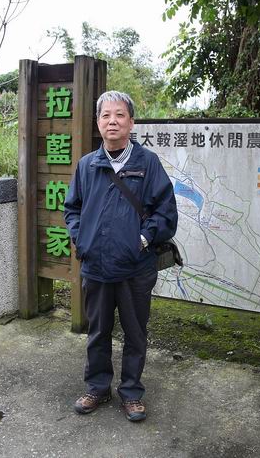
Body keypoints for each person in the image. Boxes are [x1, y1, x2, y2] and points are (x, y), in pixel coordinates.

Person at [64, 90, 178, 422]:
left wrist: (142, 240)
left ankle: (131, 392)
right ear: (98, 122)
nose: (112, 121)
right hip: (96, 266)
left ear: (131, 122)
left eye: (119, 115)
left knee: (135, 333)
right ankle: (97, 388)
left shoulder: (147, 163)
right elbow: (72, 209)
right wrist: (81, 239)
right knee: (97, 332)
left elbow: (166, 213)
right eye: (105, 115)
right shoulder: (87, 165)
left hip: (135, 268)